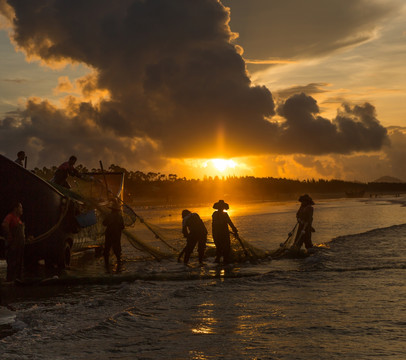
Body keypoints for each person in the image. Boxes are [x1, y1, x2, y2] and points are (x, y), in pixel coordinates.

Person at [1, 202, 26, 282]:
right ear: (15, 208)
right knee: (12, 265)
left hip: (19, 247)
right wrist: (9, 236)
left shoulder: (18, 219)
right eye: (20, 207)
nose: (22, 210)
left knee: (19, 266)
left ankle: (17, 281)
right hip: (13, 247)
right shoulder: (10, 216)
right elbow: (4, 225)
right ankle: (11, 282)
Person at [212, 200, 238, 264]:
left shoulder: (215, 214)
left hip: (217, 232)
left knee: (219, 246)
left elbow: (228, 222)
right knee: (225, 246)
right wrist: (234, 230)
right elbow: (229, 222)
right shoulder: (223, 214)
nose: (221, 208)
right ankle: (224, 260)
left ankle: (219, 260)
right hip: (221, 232)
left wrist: (234, 229)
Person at [102, 199, 125, 272]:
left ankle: (106, 265)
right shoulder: (120, 217)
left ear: (112, 209)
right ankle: (119, 263)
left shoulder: (109, 216)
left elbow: (104, 223)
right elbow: (122, 226)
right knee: (117, 249)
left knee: (107, 249)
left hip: (109, 234)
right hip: (117, 235)